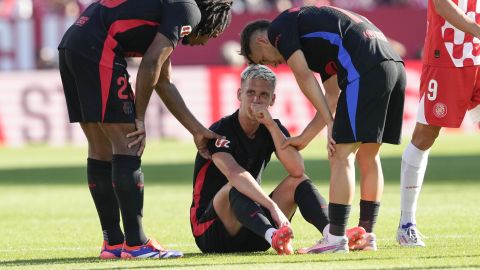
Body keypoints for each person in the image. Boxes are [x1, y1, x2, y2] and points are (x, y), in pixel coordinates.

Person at [58, 0, 232, 259]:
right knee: (129, 142)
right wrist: (138, 118)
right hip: (98, 45)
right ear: (211, 18)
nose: (207, 41)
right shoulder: (188, 11)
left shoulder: (165, 13)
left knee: (100, 148)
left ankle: (113, 243)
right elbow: (150, 64)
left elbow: (163, 81)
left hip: (73, 42)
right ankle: (136, 243)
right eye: (214, 33)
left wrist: (196, 130)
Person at [240, 5, 406, 253]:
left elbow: (304, 76)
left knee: (341, 154)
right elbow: (331, 96)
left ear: (263, 41)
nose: (274, 64)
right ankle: (366, 235)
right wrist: (306, 137)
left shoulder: (278, 29)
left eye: (265, 59)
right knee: (368, 154)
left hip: (365, 68)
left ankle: (336, 238)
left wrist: (331, 124)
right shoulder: (316, 40)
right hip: (393, 64)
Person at [190, 64, 363, 254]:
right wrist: (272, 207)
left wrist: (271, 126)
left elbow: (297, 170)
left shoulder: (272, 127)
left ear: (272, 100)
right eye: (251, 93)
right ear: (239, 94)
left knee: (299, 182)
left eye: (264, 95)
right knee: (235, 185)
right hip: (212, 231)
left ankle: (333, 235)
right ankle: (274, 235)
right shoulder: (220, 131)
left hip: (253, 228)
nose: (256, 100)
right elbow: (234, 174)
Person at [397, 0, 480, 247]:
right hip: (447, 55)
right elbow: (442, 5)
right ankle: (406, 224)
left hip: (478, 56)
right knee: (425, 135)